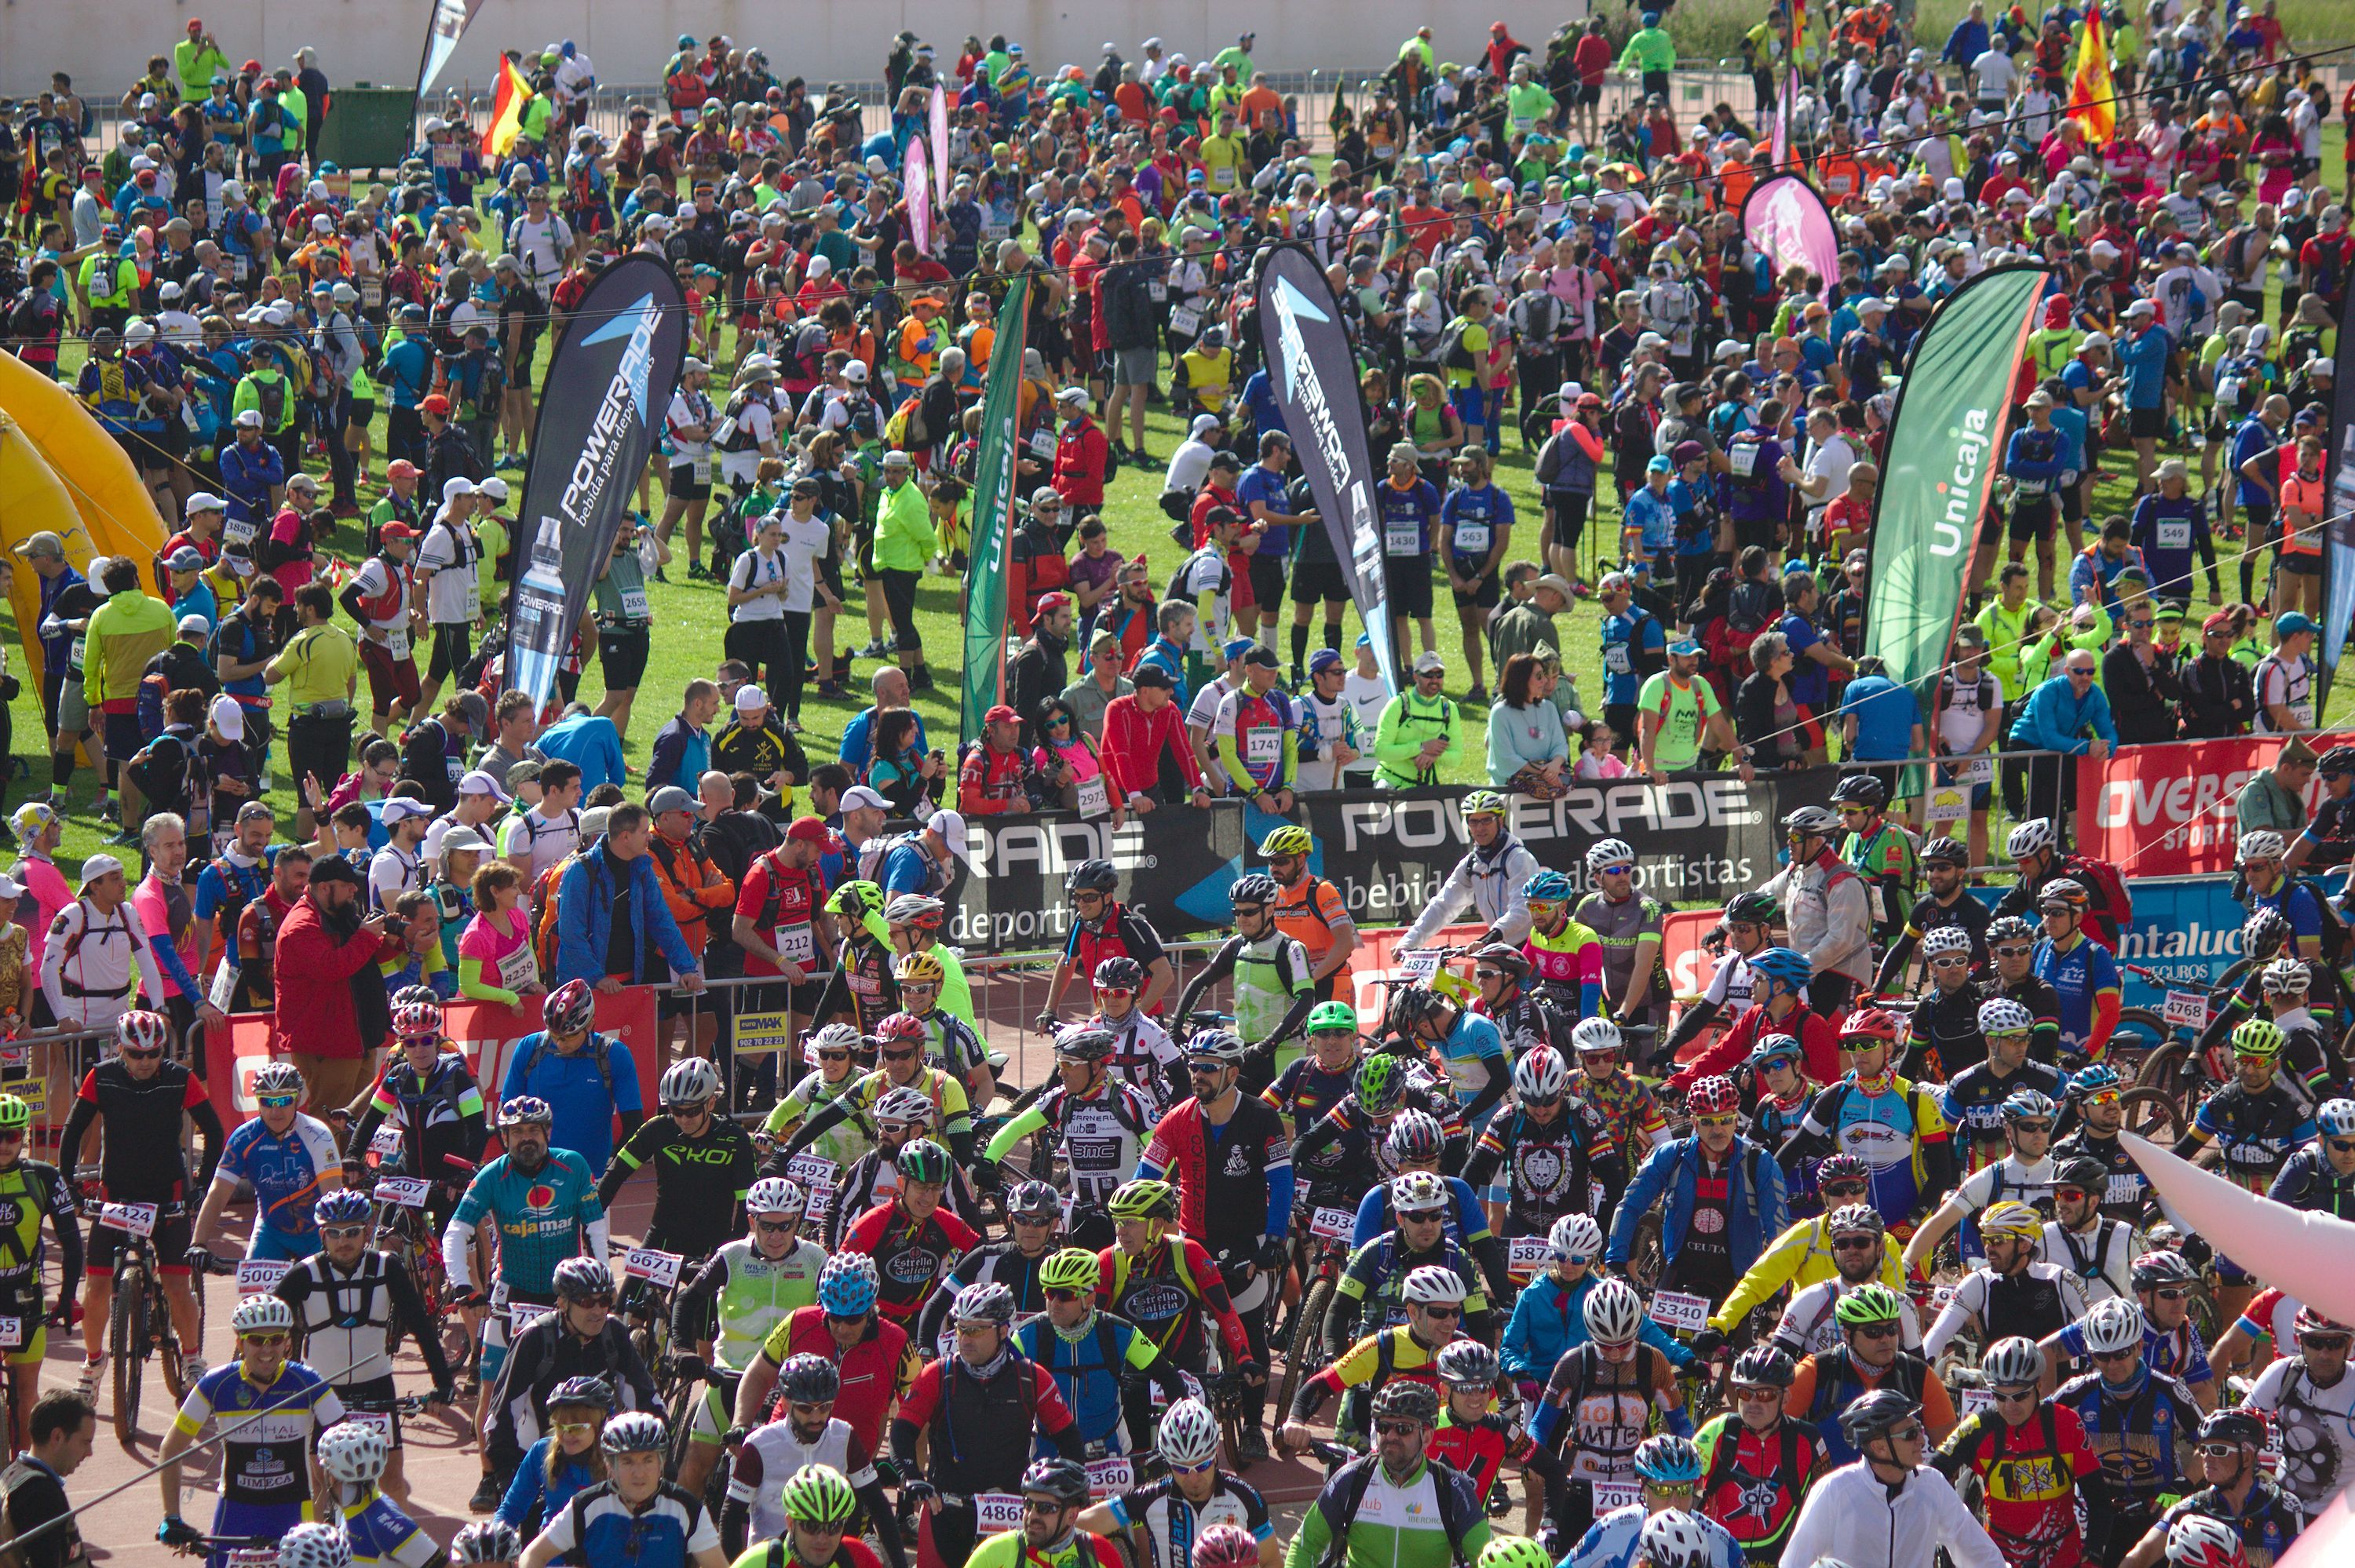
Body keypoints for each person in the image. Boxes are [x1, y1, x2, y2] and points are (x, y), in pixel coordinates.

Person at [1780, 1391, 2006, 1568]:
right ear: (1879, 1447)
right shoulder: (1835, 1490)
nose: (1921, 1440)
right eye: (1910, 1434)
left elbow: (1979, 1553)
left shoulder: (1932, 1484)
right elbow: (1795, 1563)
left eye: (1918, 1429)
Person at [1283, 1381, 1490, 1568]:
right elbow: (1304, 1546)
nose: (1390, 1436)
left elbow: (1488, 1559)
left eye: (1403, 1428)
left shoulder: (1452, 1488)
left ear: (1427, 1437)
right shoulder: (1352, 1479)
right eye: (1383, 1427)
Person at [514, 1411, 727, 1568]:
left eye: (648, 1460)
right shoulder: (586, 1506)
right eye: (627, 1461)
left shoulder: (687, 1508)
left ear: (662, 1462)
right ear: (610, 1466)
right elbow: (532, 1556)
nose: (639, 1473)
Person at [0, 1391, 97, 1568]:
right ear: (57, 1437)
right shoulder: (41, 1495)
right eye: (85, 1442)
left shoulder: (13, 1473)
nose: (89, 1452)